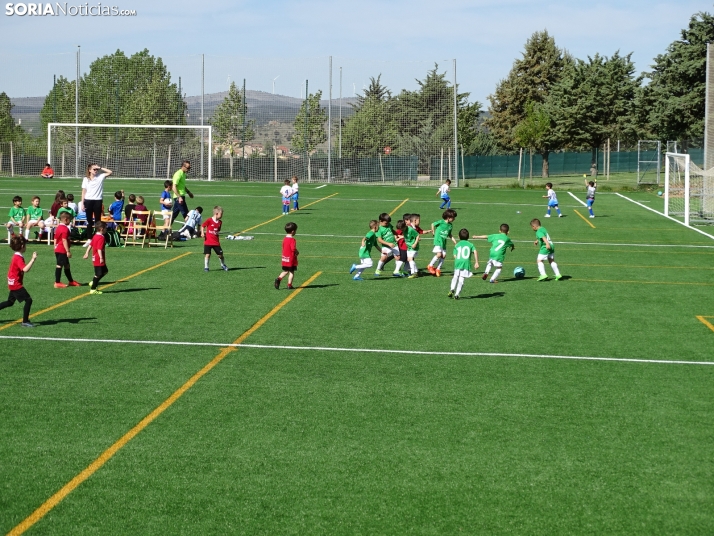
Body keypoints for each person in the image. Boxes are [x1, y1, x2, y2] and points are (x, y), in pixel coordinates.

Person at [0, 235, 37, 327]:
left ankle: (25, 321)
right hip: (16, 284)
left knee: (10, 302)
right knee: (28, 300)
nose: (26, 246)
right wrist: (33, 259)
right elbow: (25, 269)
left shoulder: (17, 256)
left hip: (12, 282)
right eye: (25, 245)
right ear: (22, 246)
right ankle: (25, 321)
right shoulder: (18, 258)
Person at [81, 163, 112, 237]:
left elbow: (110, 172)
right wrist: (82, 203)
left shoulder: (100, 176)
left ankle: (97, 236)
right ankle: (89, 238)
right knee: (89, 221)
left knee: (98, 221)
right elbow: (83, 191)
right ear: (89, 170)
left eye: (96, 169)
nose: (96, 171)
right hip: (88, 200)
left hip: (98, 200)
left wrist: (100, 167)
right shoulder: (86, 179)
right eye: (94, 169)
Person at [448, 228, 479, 300]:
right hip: (466, 263)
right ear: (468, 237)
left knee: (455, 276)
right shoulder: (470, 244)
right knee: (461, 279)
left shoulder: (457, 245)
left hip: (458, 262)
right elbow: (475, 251)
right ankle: (457, 294)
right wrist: (476, 262)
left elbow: (455, 255)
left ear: (459, 237)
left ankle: (452, 288)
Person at [54, 212, 80, 288]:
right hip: (62, 250)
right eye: (70, 220)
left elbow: (55, 238)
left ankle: (71, 281)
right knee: (59, 265)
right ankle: (57, 282)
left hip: (58, 249)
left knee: (67, 265)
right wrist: (68, 251)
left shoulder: (58, 227)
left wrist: (55, 247)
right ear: (66, 219)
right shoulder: (64, 229)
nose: (70, 222)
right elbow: (64, 240)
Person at [428, 209, 458, 277]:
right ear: (448, 217)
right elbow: (433, 224)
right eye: (453, 217)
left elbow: (449, 234)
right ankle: (430, 266)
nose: (454, 219)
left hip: (443, 243)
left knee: (443, 256)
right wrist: (433, 231)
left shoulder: (450, 225)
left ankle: (438, 269)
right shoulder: (441, 222)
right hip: (438, 241)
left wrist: (454, 240)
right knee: (439, 254)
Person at [83, 221, 109, 295]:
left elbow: (90, 245)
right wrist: (101, 258)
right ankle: (93, 289)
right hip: (98, 258)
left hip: (96, 257)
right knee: (98, 274)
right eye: (105, 228)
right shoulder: (101, 237)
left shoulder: (95, 236)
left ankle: (93, 282)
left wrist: (86, 253)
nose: (106, 229)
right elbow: (99, 249)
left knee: (105, 271)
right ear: (101, 229)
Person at [201, 206, 228, 272]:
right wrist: (202, 232)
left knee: (220, 255)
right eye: (221, 214)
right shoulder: (209, 220)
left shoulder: (220, 222)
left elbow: (217, 230)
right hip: (208, 241)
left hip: (216, 242)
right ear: (216, 213)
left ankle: (223, 264)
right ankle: (206, 267)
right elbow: (202, 226)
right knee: (208, 254)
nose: (222, 216)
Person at [274, 221, 298, 289]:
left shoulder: (284, 239)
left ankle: (279, 279)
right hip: (291, 259)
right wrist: (297, 251)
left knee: (285, 271)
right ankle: (289, 285)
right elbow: (293, 249)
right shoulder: (292, 240)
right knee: (291, 272)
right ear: (293, 231)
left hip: (285, 258)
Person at [405, 214, 422, 278]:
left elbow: (417, 235)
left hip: (413, 247)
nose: (419, 222)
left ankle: (413, 273)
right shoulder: (410, 228)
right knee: (409, 259)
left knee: (410, 259)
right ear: (415, 220)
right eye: (419, 220)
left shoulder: (411, 229)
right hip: (409, 247)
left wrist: (415, 243)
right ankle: (417, 271)